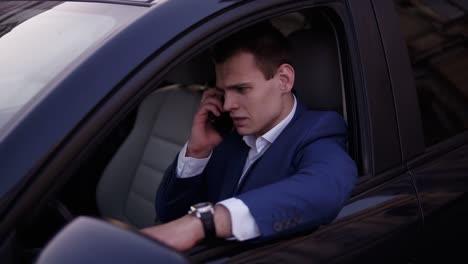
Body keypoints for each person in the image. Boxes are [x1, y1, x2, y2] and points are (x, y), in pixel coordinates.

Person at [141, 22, 357, 251]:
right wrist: (197, 152)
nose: (228, 105)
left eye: (242, 89)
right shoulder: (226, 136)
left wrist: (204, 222)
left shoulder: (319, 130)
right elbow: (169, 215)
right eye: (223, 92)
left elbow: (325, 186)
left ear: (284, 79)